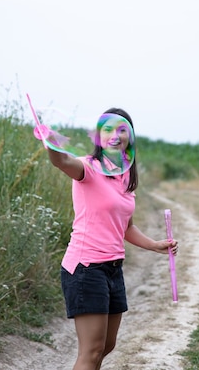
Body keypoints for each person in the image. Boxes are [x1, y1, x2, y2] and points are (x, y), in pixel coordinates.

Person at [46, 107, 179, 370]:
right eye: (108, 129)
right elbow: (62, 162)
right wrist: (51, 142)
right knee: (92, 350)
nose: (115, 135)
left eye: (122, 129)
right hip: (86, 268)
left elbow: (126, 226)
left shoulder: (125, 176)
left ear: (130, 137)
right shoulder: (88, 168)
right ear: (98, 136)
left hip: (113, 269)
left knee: (107, 346)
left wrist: (154, 245)